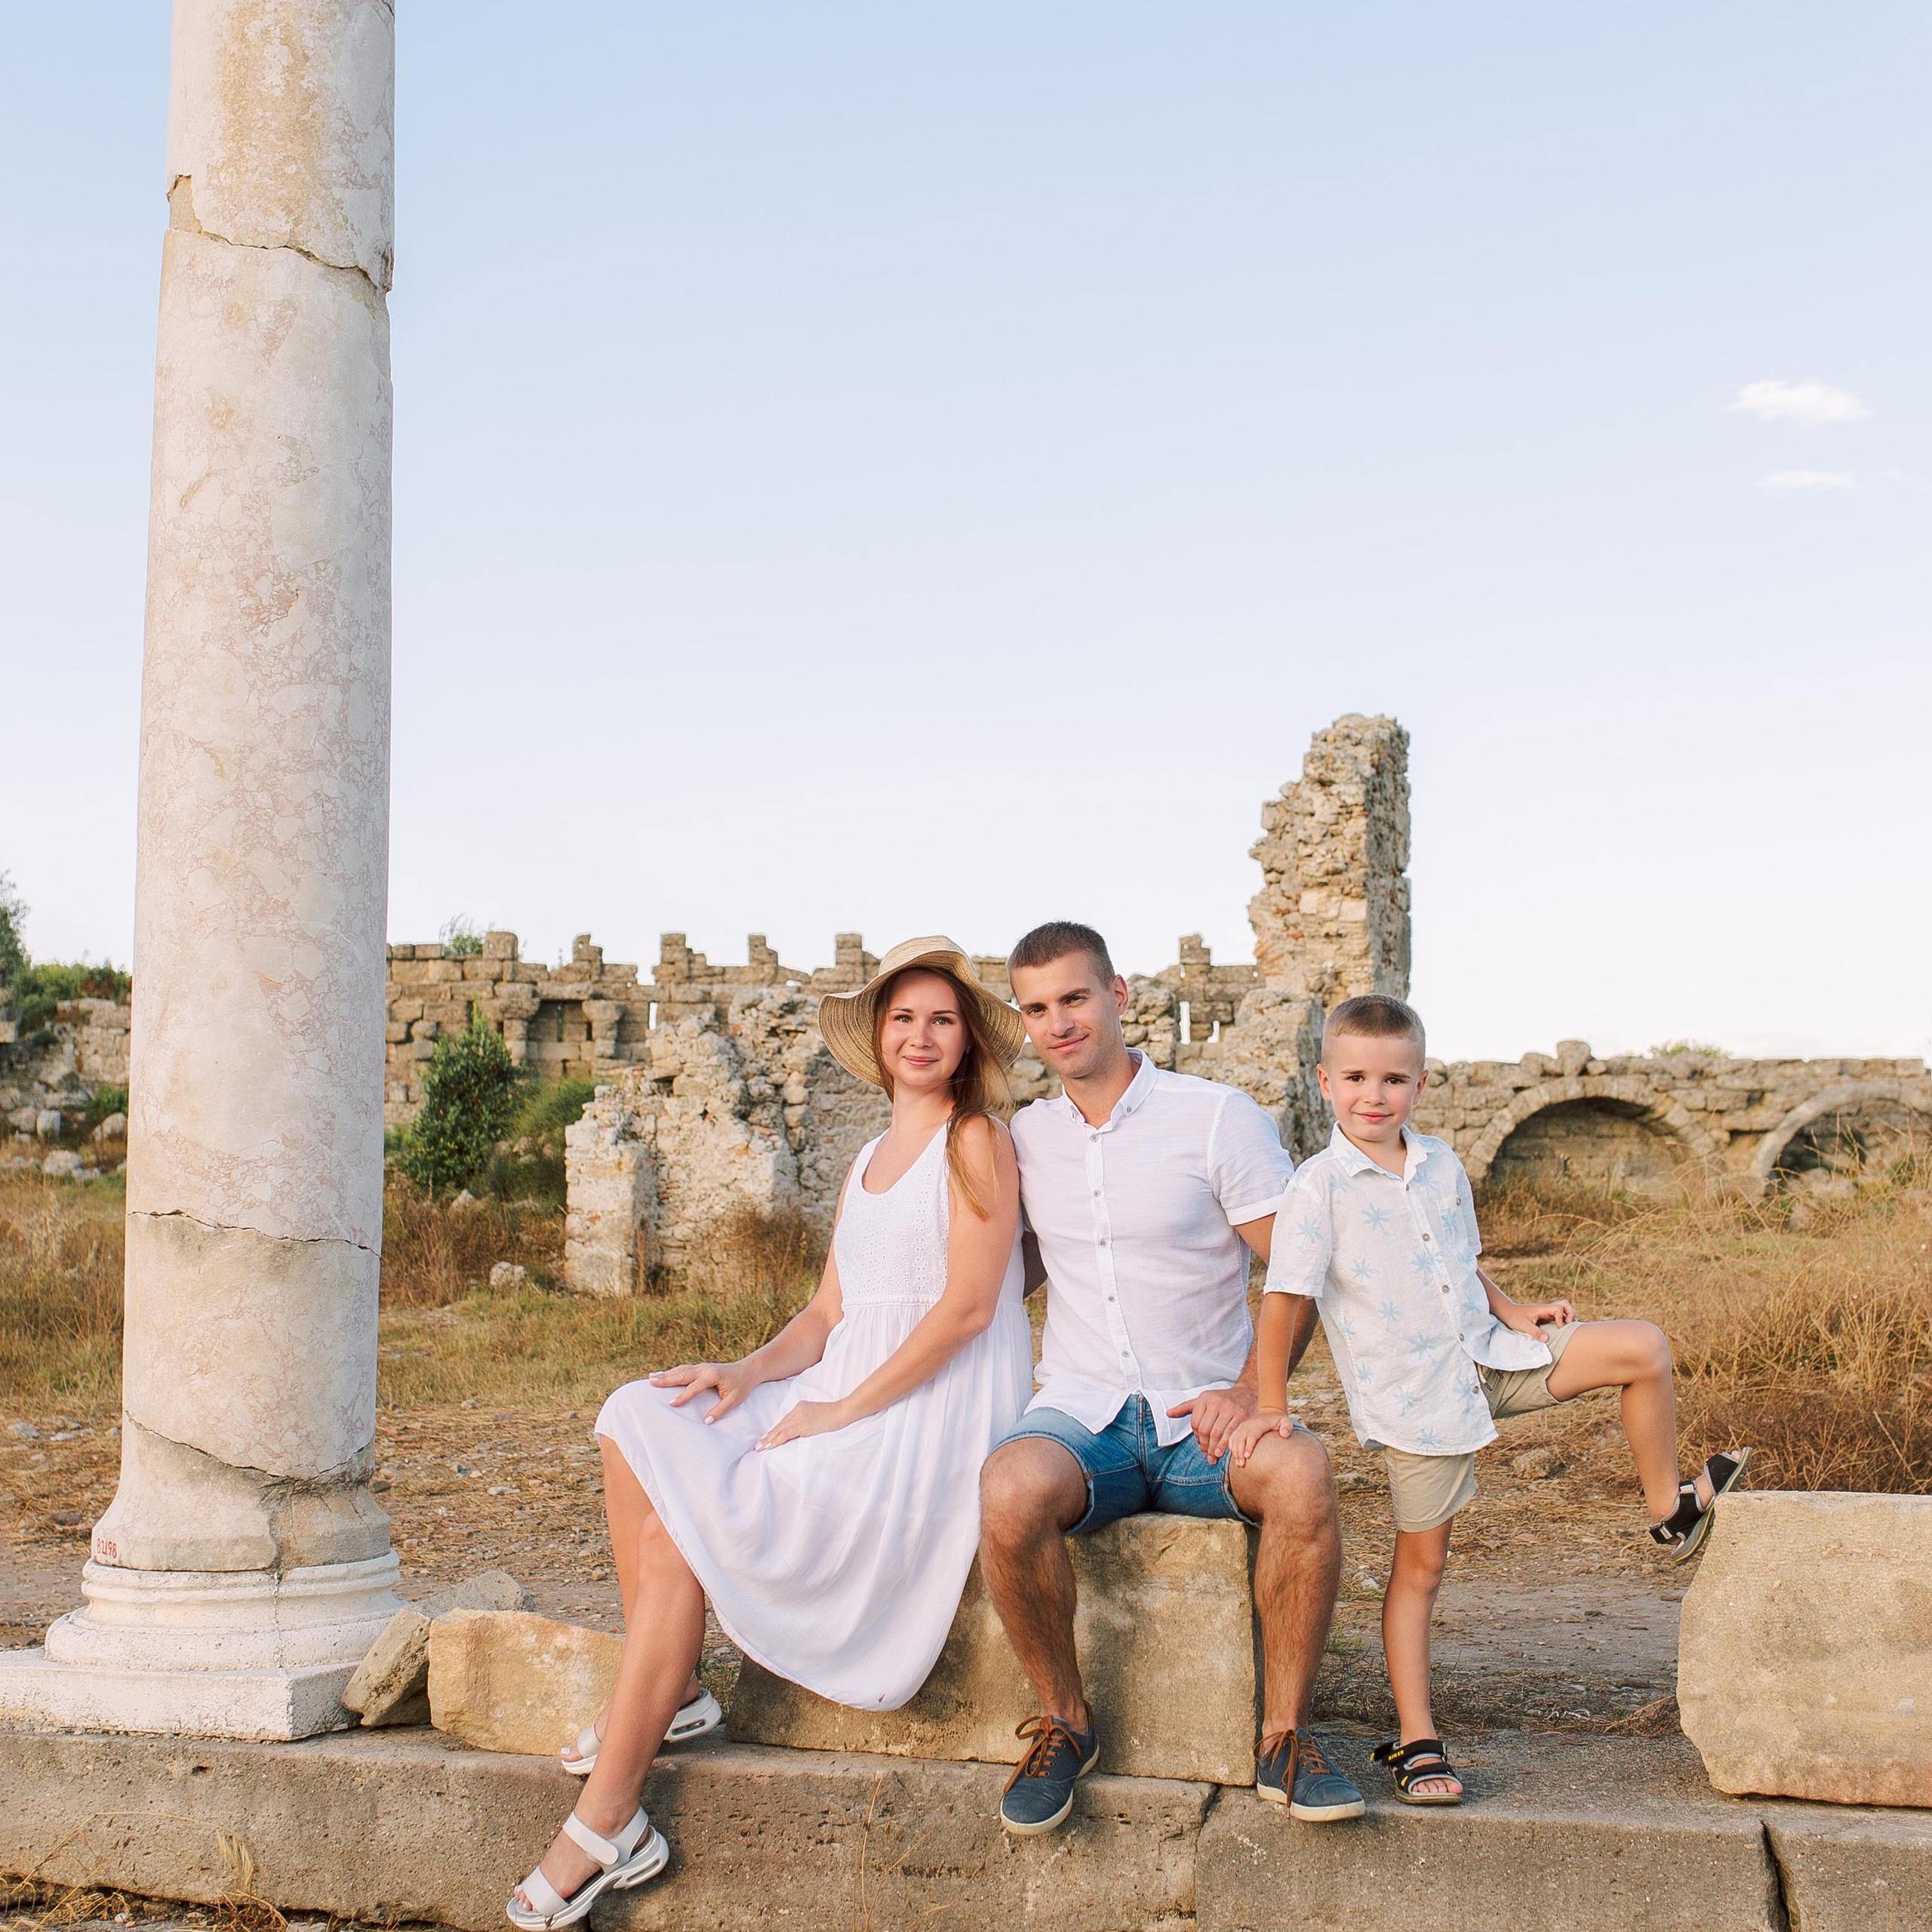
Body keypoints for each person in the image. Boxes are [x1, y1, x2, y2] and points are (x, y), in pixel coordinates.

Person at [506, 938, 1034, 1928]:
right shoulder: (868, 1160)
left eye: (942, 1019)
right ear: (878, 1038)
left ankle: (606, 1815)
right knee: (640, 1413)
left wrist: (840, 1410)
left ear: (966, 1043)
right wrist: (742, 1373)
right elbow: (831, 1313)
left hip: (929, 1409)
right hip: (851, 1374)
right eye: (903, 1017)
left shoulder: (977, 1140)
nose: (920, 1035)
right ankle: (669, 1689)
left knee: (728, 1492)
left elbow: (967, 1310)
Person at [1245, 992, 1750, 1805]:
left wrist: (1513, 1310)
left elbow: (1455, 1258)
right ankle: (1416, 1742)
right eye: (1356, 1078)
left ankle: (1669, 1508)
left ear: (1420, 1082)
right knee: (1424, 1566)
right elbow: (1286, 1299)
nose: (1375, 1095)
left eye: (1394, 1079)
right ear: (1323, 1082)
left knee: (1643, 1348)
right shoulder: (1317, 1187)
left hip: (1488, 1354)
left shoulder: (1439, 1163)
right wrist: (1270, 1401)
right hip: (1415, 1400)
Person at [977, 921, 1364, 1835]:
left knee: (1302, 1475)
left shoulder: (1215, 1115)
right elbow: (999, 1271)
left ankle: (1285, 1736)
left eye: (1074, 997)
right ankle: (1065, 1723)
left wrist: (1256, 1391)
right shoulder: (1025, 1138)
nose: (1058, 1022)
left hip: (1205, 1417)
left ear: (1118, 994)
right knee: (1007, 1488)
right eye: (1036, 1009)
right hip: (1083, 1412)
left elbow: (1298, 1270)